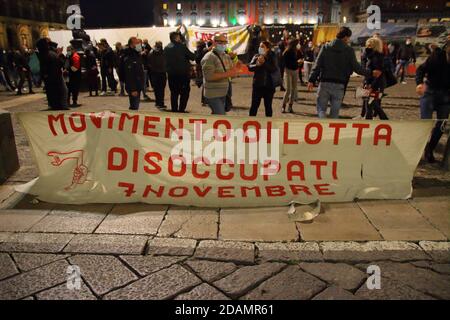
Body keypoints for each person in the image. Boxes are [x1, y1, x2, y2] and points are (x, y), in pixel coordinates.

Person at [307, 27, 378, 119]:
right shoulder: (349, 50)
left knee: (321, 109)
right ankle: (331, 131)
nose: (349, 40)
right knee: (335, 113)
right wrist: (371, 73)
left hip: (324, 83)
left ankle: (323, 126)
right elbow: (357, 68)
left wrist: (311, 80)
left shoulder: (325, 47)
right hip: (339, 85)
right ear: (345, 37)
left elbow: (317, 65)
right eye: (348, 38)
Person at [416, 43, 450, 163]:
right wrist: (419, 83)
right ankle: (420, 150)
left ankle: (429, 149)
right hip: (429, 91)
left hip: (446, 95)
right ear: (447, 48)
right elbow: (421, 69)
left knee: (441, 125)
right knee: (426, 123)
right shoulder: (436, 56)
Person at [201, 34, 241, 115]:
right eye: (220, 42)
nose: (223, 44)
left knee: (216, 116)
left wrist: (235, 63)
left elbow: (232, 74)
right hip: (212, 94)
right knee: (221, 116)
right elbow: (209, 76)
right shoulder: (209, 57)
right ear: (214, 43)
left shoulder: (226, 56)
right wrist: (228, 73)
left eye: (225, 42)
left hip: (223, 93)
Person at [163, 31, 196, 113]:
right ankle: (181, 110)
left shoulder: (166, 47)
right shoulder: (181, 46)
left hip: (171, 74)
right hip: (182, 74)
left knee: (174, 93)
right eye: (179, 37)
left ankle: (174, 109)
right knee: (184, 93)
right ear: (176, 38)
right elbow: (192, 57)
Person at [36, 38, 69, 110]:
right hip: (57, 77)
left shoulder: (44, 55)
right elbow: (61, 63)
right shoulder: (52, 54)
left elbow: (43, 69)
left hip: (50, 79)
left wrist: (42, 77)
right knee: (60, 92)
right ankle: (62, 106)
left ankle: (56, 107)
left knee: (53, 95)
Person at [360, 37, 388, 120]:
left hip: (375, 84)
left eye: (370, 44)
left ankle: (369, 121)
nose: (367, 46)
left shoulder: (377, 57)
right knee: (372, 103)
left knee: (370, 103)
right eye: (367, 44)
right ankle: (384, 119)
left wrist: (371, 86)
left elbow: (378, 74)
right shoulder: (369, 56)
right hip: (370, 82)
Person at [248, 41, 278, 117]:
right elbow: (250, 67)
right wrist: (257, 65)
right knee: (254, 107)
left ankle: (268, 125)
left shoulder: (272, 56)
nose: (260, 48)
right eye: (260, 46)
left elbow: (274, 69)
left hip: (269, 86)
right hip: (257, 86)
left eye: (262, 46)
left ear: (267, 48)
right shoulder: (256, 56)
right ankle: (250, 123)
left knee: (268, 107)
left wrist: (264, 63)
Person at [122, 37, 145, 110]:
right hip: (134, 86)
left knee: (135, 105)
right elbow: (129, 74)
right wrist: (133, 89)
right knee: (134, 106)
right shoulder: (129, 56)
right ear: (132, 44)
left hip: (138, 84)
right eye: (137, 43)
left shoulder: (136, 54)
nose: (139, 45)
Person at [281, 38, 299, 113]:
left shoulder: (296, 51)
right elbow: (285, 64)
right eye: (297, 44)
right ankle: (283, 105)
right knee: (288, 89)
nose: (298, 45)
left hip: (295, 71)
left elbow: (300, 58)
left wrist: (299, 62)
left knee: (293, 90)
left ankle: (290, 106)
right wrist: (296, 62)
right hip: (288, 71)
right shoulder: (286, 52)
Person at [148, 41, 167, 109]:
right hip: (160, 72)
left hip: (155, 73)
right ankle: (160, 103)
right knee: (160, 89)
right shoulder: (162, 52)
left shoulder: (152, 52)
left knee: (157, 89)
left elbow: (149, 63)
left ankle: (158, 102)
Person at [195, 40, 208, 106]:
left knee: (204, 83)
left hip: (199, 68)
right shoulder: (202, 50)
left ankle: (204, 100)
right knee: (205, 84)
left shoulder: (198, 50)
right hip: (202, 68)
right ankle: (204, 100)